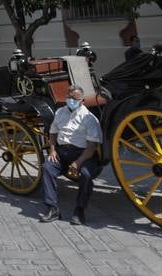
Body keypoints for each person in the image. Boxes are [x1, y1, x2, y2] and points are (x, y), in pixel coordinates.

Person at [39, 84, 103, 225]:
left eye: (75, 98)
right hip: (62, 152)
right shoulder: (60, 112)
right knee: (48, 168)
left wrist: (78, 162)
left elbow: (92, 146)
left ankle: (80, 211)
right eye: (69, 97)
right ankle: (52, 208)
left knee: (86, 175)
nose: (72, 100)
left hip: (84, 154)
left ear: (82, 100)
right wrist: (53, 149)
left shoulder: (89, 118)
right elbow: (53, 133)